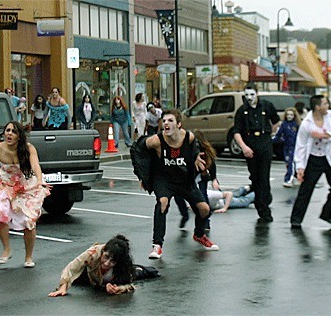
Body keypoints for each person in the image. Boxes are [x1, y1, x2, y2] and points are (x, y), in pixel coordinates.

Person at [140, 109, 218, 259]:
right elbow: (139, 150)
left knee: (204, 209)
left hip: (183, 179)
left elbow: (194, 149)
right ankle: (157, 246)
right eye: (164, 121)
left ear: (179, 124)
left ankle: (199, 235)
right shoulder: (156, 141)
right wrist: (143, 176)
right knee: (163, 202)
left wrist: (195, 157)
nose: (166, 124)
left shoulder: (188, 137)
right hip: (163, 179)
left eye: (170, 121)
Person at [0, 121, 51, 268]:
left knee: (29, 222)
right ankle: (6, 249)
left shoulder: (28, 149)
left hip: (26, 186)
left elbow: (35, 165)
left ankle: (28, 257)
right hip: (8, 186)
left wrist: (40, 180)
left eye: (14, 131)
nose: (9, 134)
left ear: (19, 136)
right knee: (0, 211)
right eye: (7, 130)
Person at [290, 95, 331, 229]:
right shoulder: (306, 124)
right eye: (325, 104)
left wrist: (323, 135)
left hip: (329, 157)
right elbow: (300, 146)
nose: (328, 106)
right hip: (313, 158)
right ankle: (296, 219)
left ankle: (326, 213)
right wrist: (300, 167)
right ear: (317, 107)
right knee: (306, 189)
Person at [48, 235, 159, 297]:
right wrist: (63, 286)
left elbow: (130, 285)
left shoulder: (124, 265)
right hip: (93, 275)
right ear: (103, 251)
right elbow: (72, 267)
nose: (106, 263)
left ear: (118, 262)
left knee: (140, 273)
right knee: (76, 280)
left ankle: (141, 269)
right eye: (106, 257)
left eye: (112, 261)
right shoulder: (94, 252)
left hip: (115, 277)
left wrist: (118, 289)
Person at [232, 82, 280, 223]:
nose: (249, 97)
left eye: (252, 94)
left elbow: (276, 121)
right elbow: (236, 131)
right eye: (246, 95)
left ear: (257, 93)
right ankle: (261, 202)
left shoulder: (266, 106)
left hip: (264, 143)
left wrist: (271, 135)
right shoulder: (242, 111)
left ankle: (264, 210)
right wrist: (244, 147)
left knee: (264, 177)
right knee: (255, 177)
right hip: (250, 145)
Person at [272, 107, 301, 187]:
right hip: (286, 146)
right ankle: (298, 177)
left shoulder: (297, 125)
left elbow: (301, 136)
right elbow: (278, 134)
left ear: (294, 116)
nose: (289, 116)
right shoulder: (284, 124)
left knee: (291, 162)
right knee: (288, 163)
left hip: (294, 146)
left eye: (291, 115)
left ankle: (288, 179)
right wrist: (271, 141)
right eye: (288, 114)